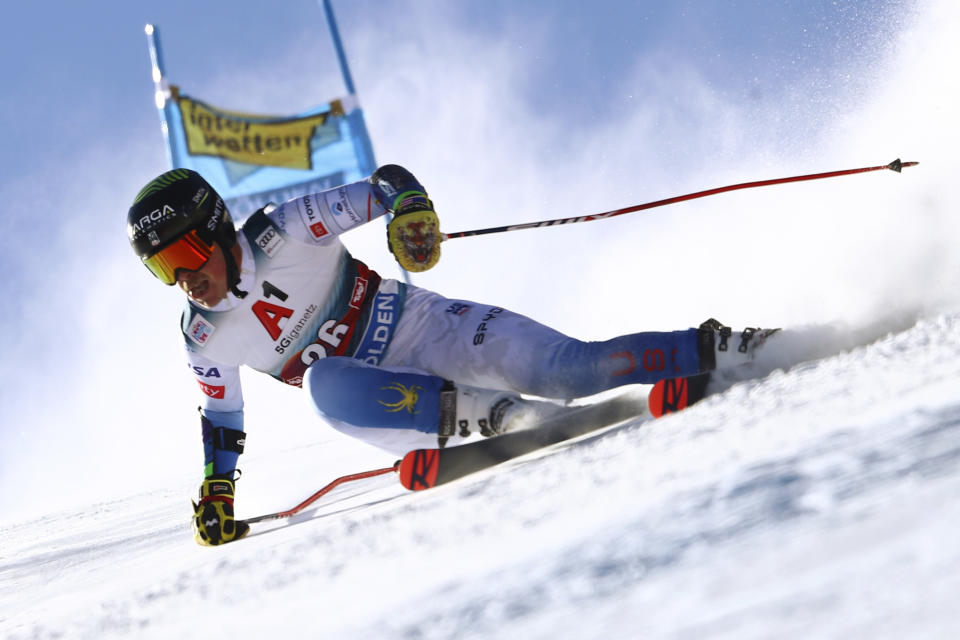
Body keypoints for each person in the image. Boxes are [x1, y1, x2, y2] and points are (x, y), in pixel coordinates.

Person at [127, 165, 771, 545]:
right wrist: (217, 489)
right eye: (162, 269)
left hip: (429, 328)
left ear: (214, 229)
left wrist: (409, 212)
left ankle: (728, 349)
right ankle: (498, 419)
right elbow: (222, 416)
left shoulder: (282, 229)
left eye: (183, 256)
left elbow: (385, 185)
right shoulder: (202, 336)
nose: (182, 280)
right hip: (394, 407)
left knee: (575, 370)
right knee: (323, 383)